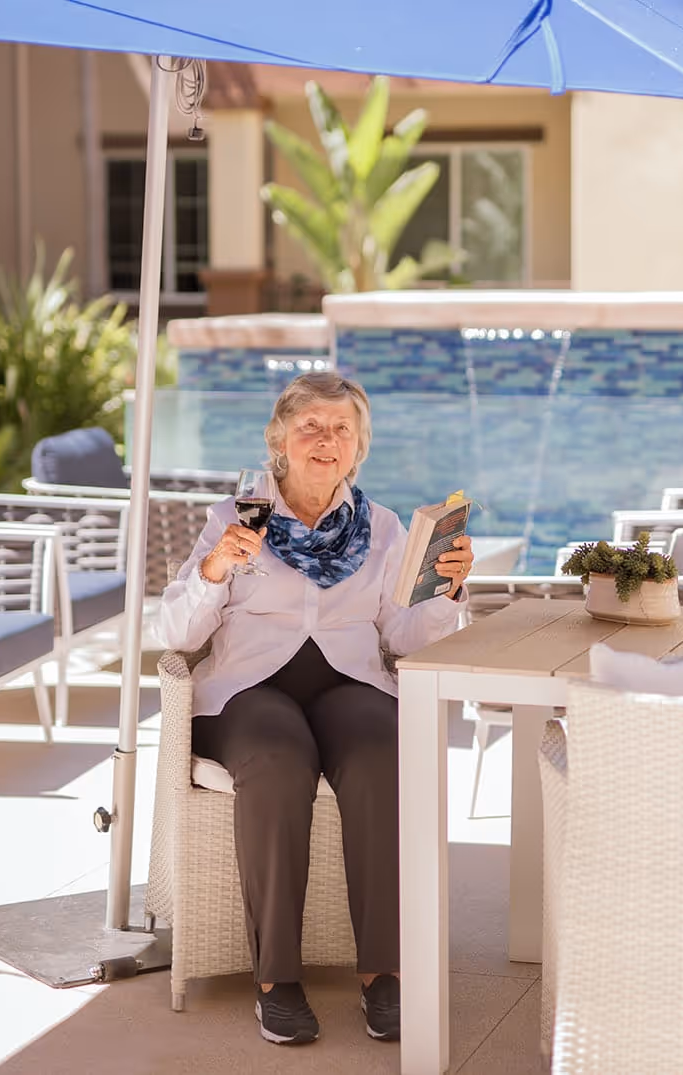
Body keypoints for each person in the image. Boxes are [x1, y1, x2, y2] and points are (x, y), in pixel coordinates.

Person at [159, 371, 474, 1046]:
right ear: (280, 439)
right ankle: (277, 978)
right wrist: (214, 570)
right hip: (249, 687)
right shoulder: (234, 517)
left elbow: (402, 635)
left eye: (341, 429)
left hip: (348, 682)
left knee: (385, 754)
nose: (325, 439)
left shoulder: (384, 528)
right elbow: (175, 635)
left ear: (358, 448)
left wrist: (446, 591)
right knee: (277, 760)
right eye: (311, 426)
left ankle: (383, 974)